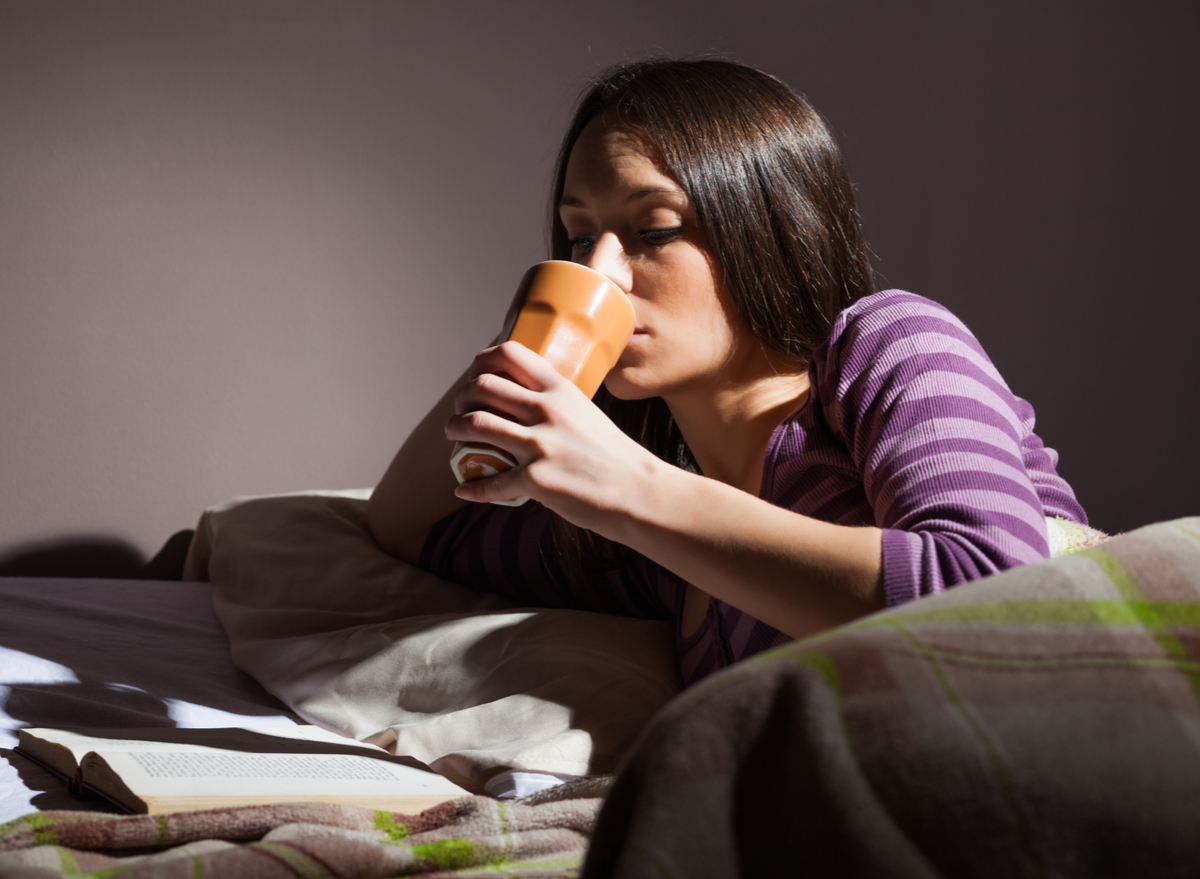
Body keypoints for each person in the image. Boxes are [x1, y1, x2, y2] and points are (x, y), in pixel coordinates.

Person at [366, 58, 1087, 686]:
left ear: (769, 232)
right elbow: (408, 524)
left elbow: (997, 603)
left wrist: (629, 489)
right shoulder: (664, 558)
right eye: (580, 237)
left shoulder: (886, 343)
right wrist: (542, 329)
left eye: (654, 231)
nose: (600, 271)